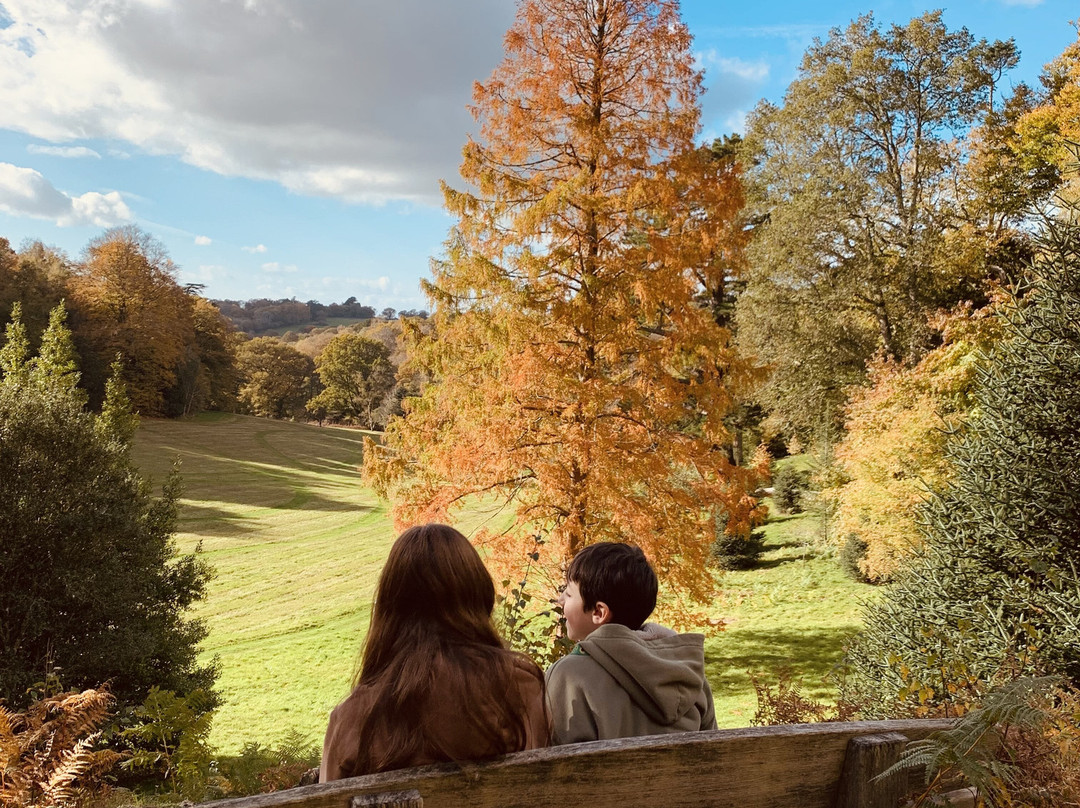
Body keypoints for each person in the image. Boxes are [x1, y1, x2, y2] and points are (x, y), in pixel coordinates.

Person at [320, 523, 549, 781]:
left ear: (390, 609)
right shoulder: (519, 687)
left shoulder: (353, 717)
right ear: (479, 594)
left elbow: (329, 794)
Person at [545, 542, 716, 744]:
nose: (560, 600)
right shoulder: (688, 673)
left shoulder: (567, 676)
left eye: (568, 593)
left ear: (599, 612)